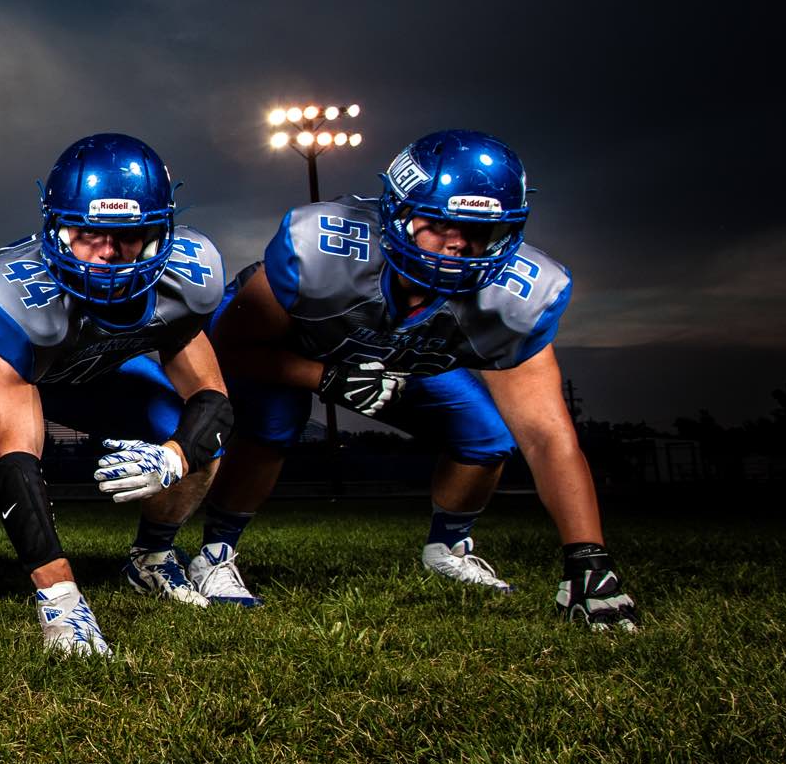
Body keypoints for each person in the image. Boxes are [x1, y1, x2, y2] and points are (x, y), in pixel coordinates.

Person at [190, 128, 640, 630]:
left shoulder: (517, 298)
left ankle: (447, 547)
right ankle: (215, 552)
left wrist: (588, 560)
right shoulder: (321, 250)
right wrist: (325, 378)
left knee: (486, 437)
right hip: (295, 349)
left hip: (401, 360)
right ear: (397, 213)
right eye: (439, 222)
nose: (459, 244)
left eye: (479, 231)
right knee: (275, 421)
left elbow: (547, 436)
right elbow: (232, 349)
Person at [0, 133, 236, 657]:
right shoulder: (13, 294)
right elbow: (16, 462)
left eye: (129, 235)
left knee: (202, 444)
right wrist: (61, 599)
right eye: (87, 233)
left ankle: (151, 556)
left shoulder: (188, 278)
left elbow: (212, 399)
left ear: (161, 231)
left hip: (93, 371)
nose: (107, 254)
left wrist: (174, 455)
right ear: (55, 229)